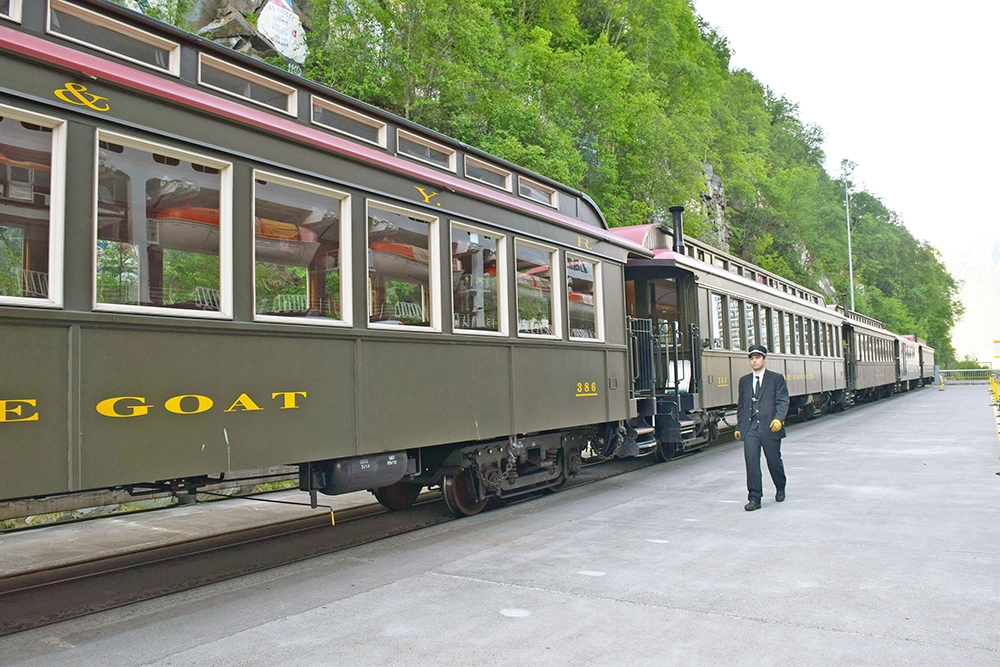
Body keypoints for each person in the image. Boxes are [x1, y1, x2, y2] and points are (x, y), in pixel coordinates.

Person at [734, 344, 789, 511]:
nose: (754, 361)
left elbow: (782, 401)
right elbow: (742, 406)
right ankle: (754, 497)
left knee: (774, 461)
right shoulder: (744, 381)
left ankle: (780, 486)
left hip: (770, 427)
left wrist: (779, 419)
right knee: (751, 462)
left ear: (764, 359)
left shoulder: (776, 378)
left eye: (757, 358)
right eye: (752, 358)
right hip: (751, 428)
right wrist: (739, 426)